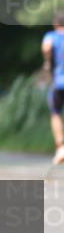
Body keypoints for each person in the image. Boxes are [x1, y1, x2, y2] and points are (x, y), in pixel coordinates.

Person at [41, 12, 64, 165]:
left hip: (59, 81)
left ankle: (61, 147)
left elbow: (47, 47)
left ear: (55, 24)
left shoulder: (51, 36)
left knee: (55, 113)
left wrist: (48, 62)